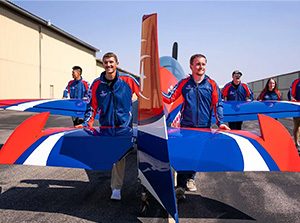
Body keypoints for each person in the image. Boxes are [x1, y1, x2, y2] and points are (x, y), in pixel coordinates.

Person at [163, 53, 230, 200]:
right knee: (185, 154)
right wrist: (155, 91)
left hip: (204, 127)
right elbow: (169, 97)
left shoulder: (211, 84)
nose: (201, 67)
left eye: (203, 64)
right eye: (198, 64)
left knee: (197, 155)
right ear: (191, 66)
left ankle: (191, 178)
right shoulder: (184, 83)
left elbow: (217, 104)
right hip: (186, 126)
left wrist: (221, 123)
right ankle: (180, 186)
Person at [76, 52, 139, 200]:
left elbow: (145, 96)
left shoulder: (128, 80)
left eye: (111, 62)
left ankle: (116, 188)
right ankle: (115, 185)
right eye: (106, 63)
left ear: (117, 63)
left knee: (120, 156)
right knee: (108, 155)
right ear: (103, 64)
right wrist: (86, 124)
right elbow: (92, 106)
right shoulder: (97, 83)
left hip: (124, 125)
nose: (109, 65)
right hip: (106, 126)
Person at [287, 78, 300, 149]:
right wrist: (292, 99)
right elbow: (290, 94)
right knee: (297, 126)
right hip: (297, 107)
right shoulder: (296, 82)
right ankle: (296, 143)